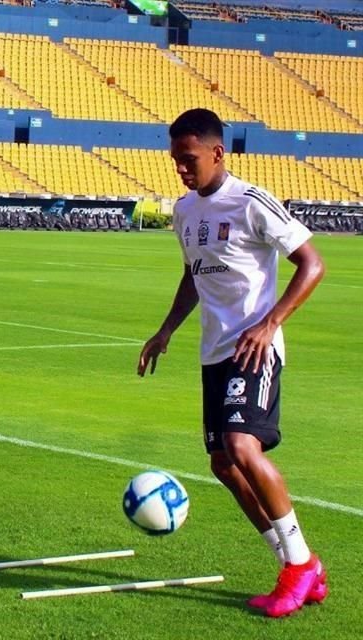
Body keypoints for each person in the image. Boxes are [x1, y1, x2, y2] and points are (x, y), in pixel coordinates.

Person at [138, 108, 327, 617]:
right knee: (222, 463)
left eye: (189, 158)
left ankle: (298, 566)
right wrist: (166, 330)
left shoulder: (250, 202)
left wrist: (270, 324)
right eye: (175, 159)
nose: (181, 168)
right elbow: (193, 275)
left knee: (242, 447)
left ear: (218, 152)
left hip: (255, 349)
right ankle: (298, 561)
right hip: (214, 352)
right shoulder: (184, 212)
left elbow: (313, 263)